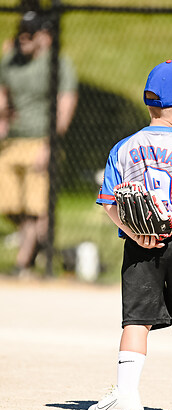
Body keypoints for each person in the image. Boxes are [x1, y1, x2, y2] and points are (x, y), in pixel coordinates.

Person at [88, 59, 172, 410]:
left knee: (136, 320)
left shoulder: (122, 148)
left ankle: (127, 394)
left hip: (139, 244)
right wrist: (168, 227)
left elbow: (109, 202)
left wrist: (138, 231)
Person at [0, 10, 78, 277]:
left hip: (41, 142)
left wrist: (50, 145)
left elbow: (65, 106)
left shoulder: (57, 63)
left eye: (30, 34)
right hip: (11, 142)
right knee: (8, 204)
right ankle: (48, 252)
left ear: (44, 37)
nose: (23, 39)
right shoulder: (10, 60)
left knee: (35, 210)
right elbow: (3, 96)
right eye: (21, 33)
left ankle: (23, 264)